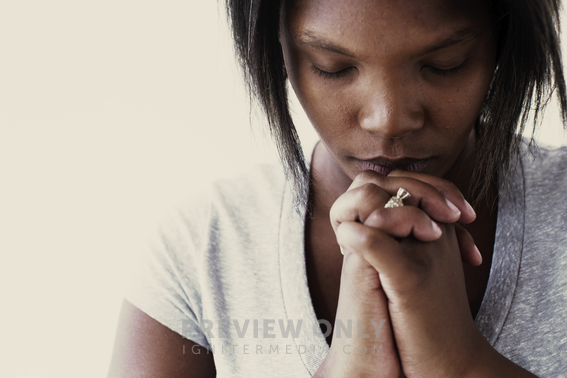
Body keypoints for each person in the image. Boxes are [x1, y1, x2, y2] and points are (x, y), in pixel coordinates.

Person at [108, 0, 567, 376]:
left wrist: (460, 364)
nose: (387, 120)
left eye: (444, 65)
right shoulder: (198, 251)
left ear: (502, 42)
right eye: (333, 67)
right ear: (279, 48)